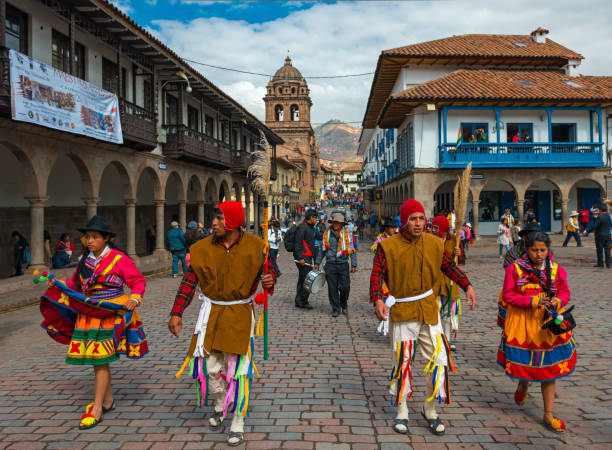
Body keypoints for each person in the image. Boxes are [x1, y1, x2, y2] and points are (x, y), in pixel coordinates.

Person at [168, 201, 276, 447]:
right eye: (213, 218)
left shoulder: (258, 247)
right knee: (208, 369)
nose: (213, 223)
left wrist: (270, 281)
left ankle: (238, 420)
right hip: (210, 314)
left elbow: (270, 276)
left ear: (233, 221)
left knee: (238, 370)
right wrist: (177, 313)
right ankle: (219, 401)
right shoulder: (200, 248)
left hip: (239, 314)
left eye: (218, 218)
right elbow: (188, 283)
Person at [370, 199, 477, 436]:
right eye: (413, 219)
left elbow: (449, 267)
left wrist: (466, 284)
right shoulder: (388, 246)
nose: (418, 223)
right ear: (404, 221)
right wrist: (378, 298)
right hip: (403, 310)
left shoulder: (435, 244)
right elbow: (377, 274)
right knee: (403, 360)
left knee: (439, 360)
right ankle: (402, 410)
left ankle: (430, 409)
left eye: (421, 218)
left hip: (429, 309)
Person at [40, 216, 148, 429]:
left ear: (107, 238)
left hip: (109, 312)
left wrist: (134, 298)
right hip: (88, 312)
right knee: (98, 359)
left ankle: (97, 407)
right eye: (87, 237)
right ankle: (107, 401)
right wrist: (59, 283)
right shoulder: (85, 261)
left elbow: (137, 281)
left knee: (100, 358)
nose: (89, 241)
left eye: (94, 237)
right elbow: (76, 284)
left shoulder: (119, 259)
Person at [497, 231, 575, 432]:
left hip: (549, 325)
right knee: (528, 362)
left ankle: (548, 414)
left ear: (548, 249)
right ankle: (523, 384)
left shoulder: (556, 270)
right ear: (527, 249)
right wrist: (532, 301)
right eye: (534, 250)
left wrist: (558, 300)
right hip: (524, 324)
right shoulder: (515, 270)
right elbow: (508, 295)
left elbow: (565, 292)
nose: (539, 254)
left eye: (543, 250)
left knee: (549, 370)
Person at [430, 216, 463, 350]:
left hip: (450, 281)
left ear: (443, 229)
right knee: (434, 311)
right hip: (434, 281)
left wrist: (459, 253)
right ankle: (435, 339)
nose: (432, 230)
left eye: (435, 228)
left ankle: (448, 340)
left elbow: (460, 262)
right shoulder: (429, 240)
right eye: (432, 227)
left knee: (449, 312)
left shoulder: (454, 240)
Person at [316, 211, 357, 317]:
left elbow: (352, 250)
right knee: (332, 288)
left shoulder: (348, 235)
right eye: (334, 222)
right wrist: (317, 262)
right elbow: (322, 250)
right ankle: (335, 308)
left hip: (343, 264)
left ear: (342, 224)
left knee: (345, 287)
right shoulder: (327, 234)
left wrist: (354, 265)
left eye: (338, 223)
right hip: (330, 265)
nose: (335, 224)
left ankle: (344, 304)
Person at [293, 209, 319, 310]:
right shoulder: (302, 228)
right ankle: (303, 301)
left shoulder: (312, 228)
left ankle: (299, 300)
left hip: (308, 257)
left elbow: (320, 236)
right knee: (308, 279)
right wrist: (300, 258)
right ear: (311, 218)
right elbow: (297, 243)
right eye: (315, 217)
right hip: (302, 258)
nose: (316, 219)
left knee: (302, 278)